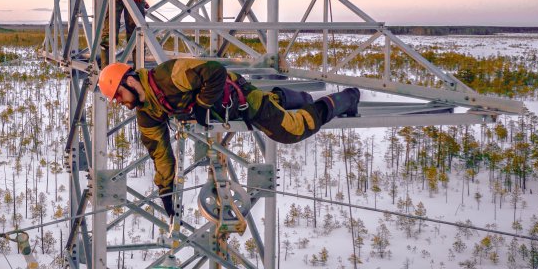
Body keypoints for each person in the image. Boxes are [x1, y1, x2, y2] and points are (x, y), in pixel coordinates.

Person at [97, 59, 360, 217]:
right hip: (223, 109)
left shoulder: (168, 75)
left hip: (240, 98)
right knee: (274, 106)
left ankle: (346, 99)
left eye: (118, 95)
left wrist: (202, 104)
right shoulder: (147, 112)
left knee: (292, 130)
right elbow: (160, 153)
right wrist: (166, 190)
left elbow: (214, 71)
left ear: (130, 81)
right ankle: (286, 98)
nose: (119, 101)